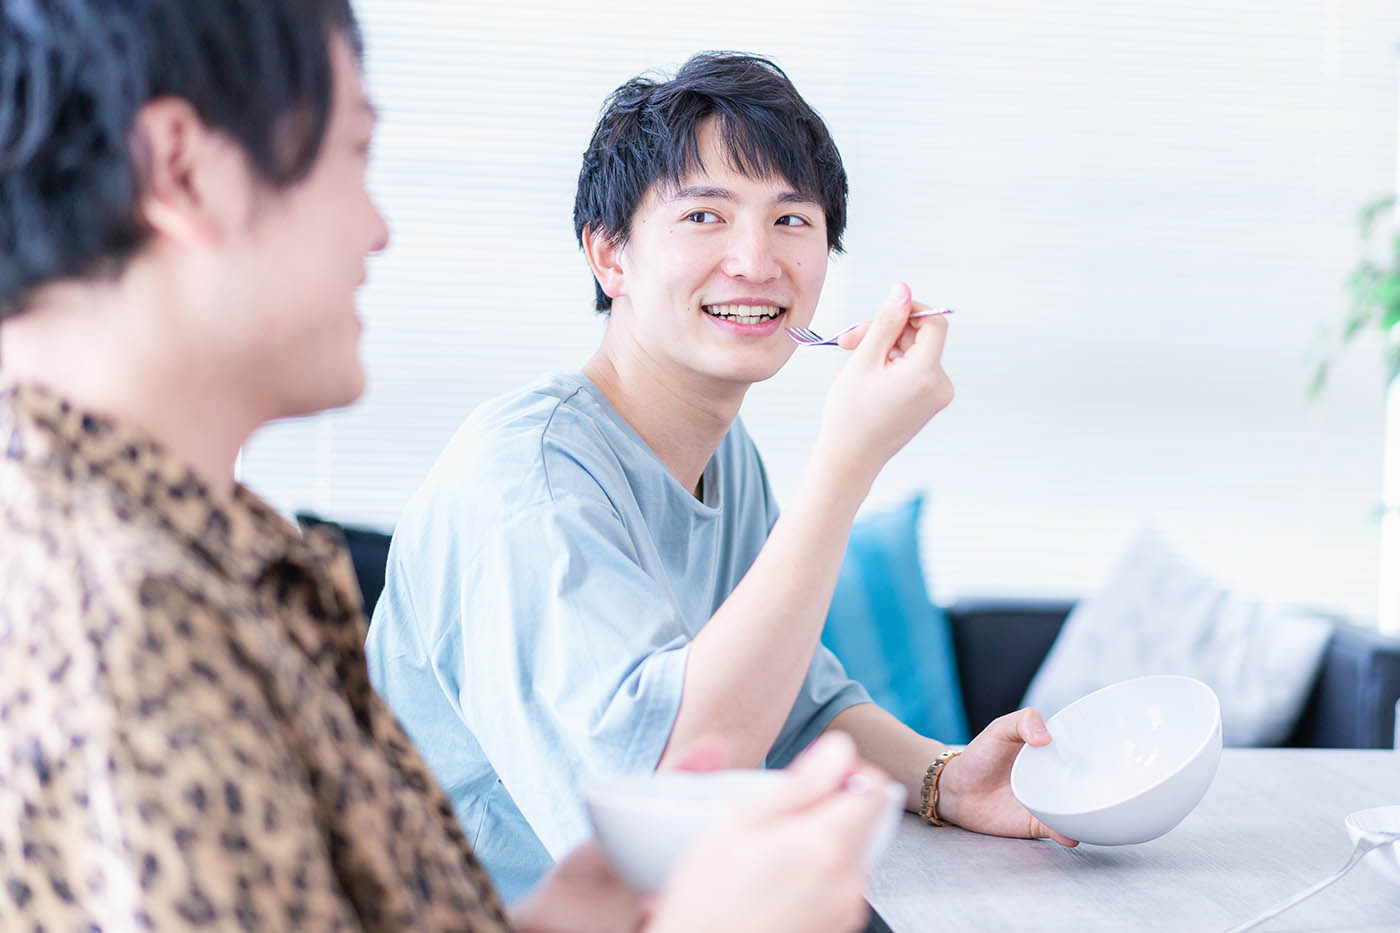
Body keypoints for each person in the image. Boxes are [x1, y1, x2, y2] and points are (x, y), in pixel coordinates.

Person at [0, 4, 896, 930]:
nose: (377, 229)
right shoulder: (117, 609)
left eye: (791, 217)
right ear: (183, 171)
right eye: (350, 156)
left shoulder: (224, 552)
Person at [367, 51, 1078, 902]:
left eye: (791, 220)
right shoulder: (527, 479)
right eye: (704, 216)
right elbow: (658, 803)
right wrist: (847, 461)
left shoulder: (725, 456)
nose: (755, 259)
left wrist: (947, 778)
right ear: (609, 256)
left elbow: (796, 699)